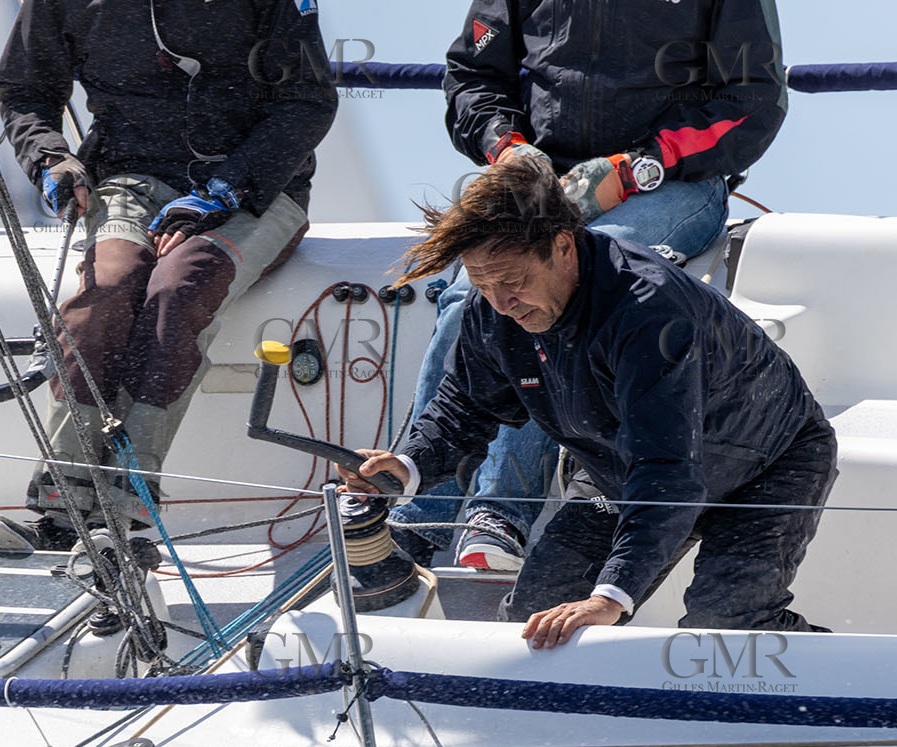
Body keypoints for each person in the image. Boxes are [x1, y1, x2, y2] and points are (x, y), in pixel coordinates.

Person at [339, 157, 835, 648]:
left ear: (563, 246)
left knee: (726, 625)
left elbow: (666, 469)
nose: (501, 304)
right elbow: (467, 406)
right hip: (617, 475)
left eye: (512, 282)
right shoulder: (493, 309)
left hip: (767, 465)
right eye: (483, 285)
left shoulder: (648, 309)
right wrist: (408, 464)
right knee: (535, 622)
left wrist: (611, 596)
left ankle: (852, 684)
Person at [390, 0, 789, 573]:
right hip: (538, 178)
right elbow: (473, 76)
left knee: (571, 283)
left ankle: (498, 514)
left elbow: (754, 100)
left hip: (674, 182)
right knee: (470, 302)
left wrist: (638, 166)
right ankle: (417, 516)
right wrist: (507, 147)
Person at [0, 0, 339, 552]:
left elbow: (307, 103)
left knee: (178, 290)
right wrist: (50, 158)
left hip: (256, 193)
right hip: (129, 180)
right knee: (104, 295)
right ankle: (62, 508)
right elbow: (26, 88)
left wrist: (225, 190)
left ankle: (126, 510)